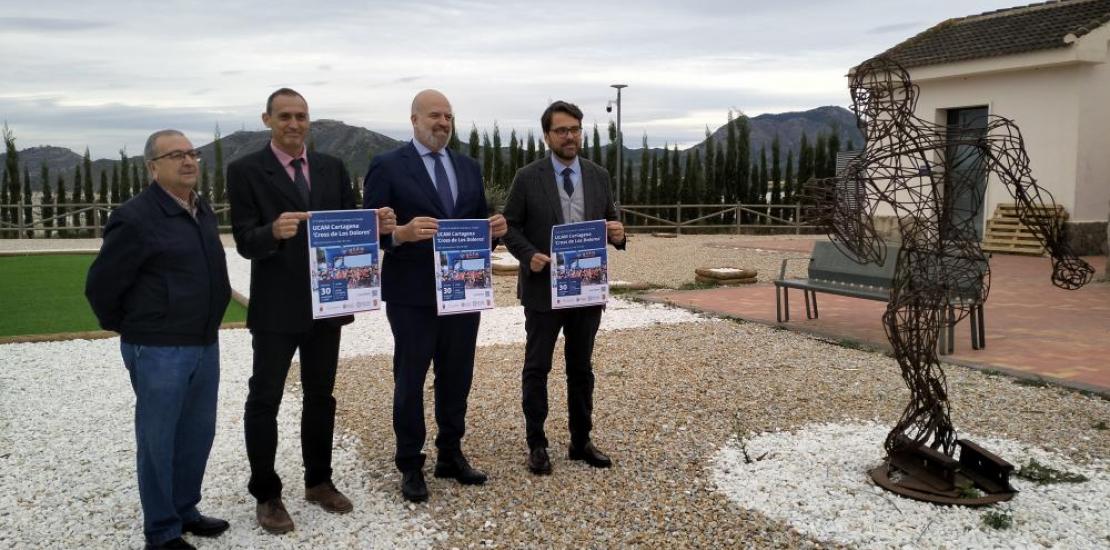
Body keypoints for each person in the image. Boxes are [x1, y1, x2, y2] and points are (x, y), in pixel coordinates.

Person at [227, 88, 396, 533]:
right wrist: (271, 231)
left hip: (329, 303)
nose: (294, 123)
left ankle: (319, 481)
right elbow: (244, 240)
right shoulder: (245, 170)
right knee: (264, 398)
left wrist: (376, 225)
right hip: (277, 307)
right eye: (284, 116)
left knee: (321, 396)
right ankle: (267, 493)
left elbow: (351, 230)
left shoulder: (330, 167)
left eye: (301, 116)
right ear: (267, 119)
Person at [86, 130, 231, 550]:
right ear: (153, 167)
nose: (188, 161)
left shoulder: (200, 209)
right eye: (175, 155)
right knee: (158, 440)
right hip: (159, 347)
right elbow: (101, 285)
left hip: (204, 342)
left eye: (192, 153)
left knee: (197, 434)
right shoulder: (135, 217)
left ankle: (185, 509)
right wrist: (136, 328)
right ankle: (162, 530)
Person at [363, 89, 507, 502]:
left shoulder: (468, 167)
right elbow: (371, 230)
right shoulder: (387, 165)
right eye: (434, 116)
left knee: (457, 375)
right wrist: (400, 234)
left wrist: (494, 232)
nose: (443, 123)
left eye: (448, 116)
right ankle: (410, 462)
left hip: (463, 290)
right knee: (410, 378)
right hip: (412, 294)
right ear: (414, 120)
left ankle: (450, 452)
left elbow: (475, 227)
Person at [501, 100, 626, 475]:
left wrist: (619, 234)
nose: (569, 136)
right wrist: (529, 255)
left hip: (586, 290)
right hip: (543, 290)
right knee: (537, 367)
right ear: (547, 136)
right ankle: (537, 444)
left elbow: (610, 220)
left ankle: (580, 440)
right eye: (561, 130)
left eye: (574, 129)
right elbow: (509, 226)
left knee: (581, 369)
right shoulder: (528, 177)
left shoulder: (598, 175)